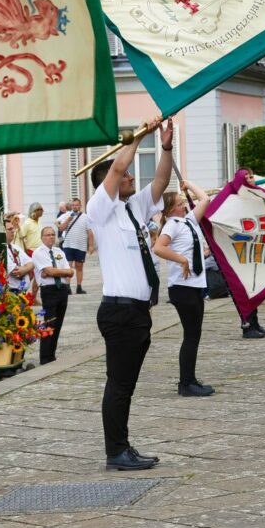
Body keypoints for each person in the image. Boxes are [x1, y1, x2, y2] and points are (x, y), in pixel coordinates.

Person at [86, 116, 170, 471]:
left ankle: (122, 445)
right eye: (126, 176)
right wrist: (138, 136)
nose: (133, 176)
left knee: (127, 385)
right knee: (119, 385)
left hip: (137, 311)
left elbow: (162, 181)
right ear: (109, 182)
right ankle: (115, 451)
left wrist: (165, 146)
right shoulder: (100, 211)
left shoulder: (132, 208)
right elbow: (120, 164)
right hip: (119, 312)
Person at [153, 181, 214, 397]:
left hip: (195, 285)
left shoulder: (188, 221)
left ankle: (190, 378)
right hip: (182, 287)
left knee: (194, 334)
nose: (184, 206)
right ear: (170, 210)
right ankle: (185, 383)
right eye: (179, 204)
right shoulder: (172, 224)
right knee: (191, 335)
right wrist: (181, 260)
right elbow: (158, 247)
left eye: (183, 202)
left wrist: (189, 185)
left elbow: (205, 199)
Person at [238, 169, 265, 338]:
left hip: (256, 246)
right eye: (246, 178)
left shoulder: (256, 194)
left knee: (255, 285)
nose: (250, 180)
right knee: (246, 288)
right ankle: (247, 325)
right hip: (243, 249)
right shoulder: (237, 198)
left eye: (251, 176)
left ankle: (255, 322)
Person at [32, 225, 73, 364]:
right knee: (50, 323)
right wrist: (54, 272)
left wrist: (53, 271)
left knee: (59, 323)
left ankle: (52, 355)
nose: (51, 237)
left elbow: (70, 271)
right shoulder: (39, 252)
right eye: (48, 235)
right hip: (49, 291)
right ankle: (45, 357)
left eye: (52, 235)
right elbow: (50, 272)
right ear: (42, 237)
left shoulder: (59, 251)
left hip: (62, 289)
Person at [58, 197, 92, 294]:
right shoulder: (67, 215)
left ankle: (79, 287)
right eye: (73, 205)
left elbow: (89, 232)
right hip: (68, 245)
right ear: (71, 206)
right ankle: (67, 287)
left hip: (81, 245)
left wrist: (91, 245)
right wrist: (68, 220)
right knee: (68, 266)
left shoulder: (86, 217)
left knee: (79, 266)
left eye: (77, 205)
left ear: (80, 206)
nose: (75, 207)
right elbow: (61, 228)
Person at [3, 218, 35, 293]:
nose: (13, 231)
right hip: (9, 292)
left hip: (23, 291)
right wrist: (26, 268)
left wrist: (23, 269)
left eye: (13, 229)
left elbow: (32, 263)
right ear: (2, 232)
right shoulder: (1, 250)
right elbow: (15, 272)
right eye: (10, 229)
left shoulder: (16, 247)